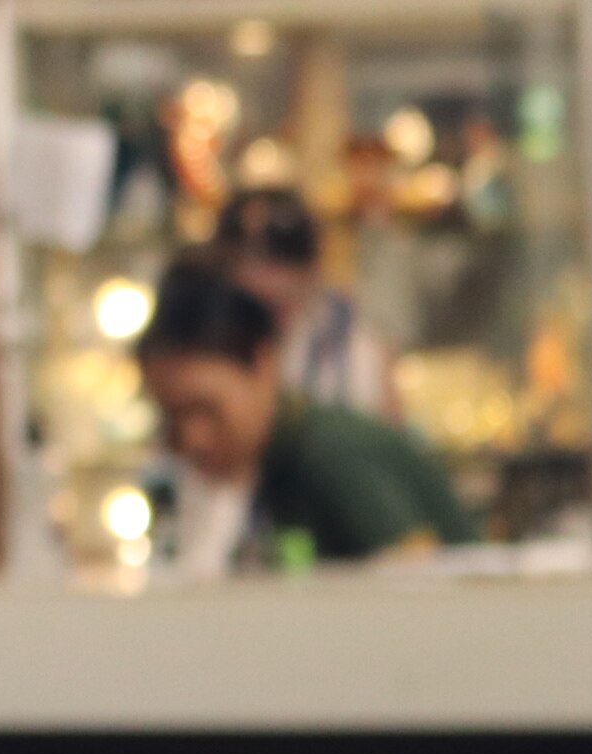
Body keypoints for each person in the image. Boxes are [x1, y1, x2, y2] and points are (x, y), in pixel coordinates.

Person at [136, 255, 472, 573]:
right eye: (172, 417)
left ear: (262, 364)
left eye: (205, 409)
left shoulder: (332, 455)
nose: (192, 437)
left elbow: (419, 594)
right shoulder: (270, 468)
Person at [213, 185, 391, 421]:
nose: (264, 281)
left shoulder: (354, 345)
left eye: (280, 256)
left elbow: (387, 432)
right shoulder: (209, 342)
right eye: (245, 258)